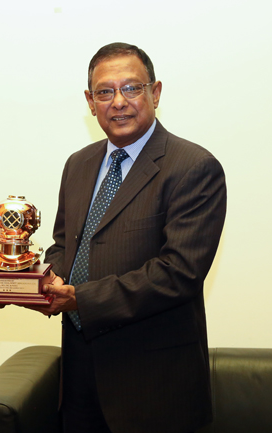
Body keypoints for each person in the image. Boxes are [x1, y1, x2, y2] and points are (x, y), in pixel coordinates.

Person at [28, 43, 227, 433]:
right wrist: (40, 282)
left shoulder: (193, 167)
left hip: (154, 386)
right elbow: (64, 244)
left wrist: (79, 298)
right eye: (105, 92)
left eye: (131, 88)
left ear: (155, 93)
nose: (118, 102)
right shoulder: (79, 164)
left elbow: (179, 273)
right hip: (79, 377)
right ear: (90, 101)